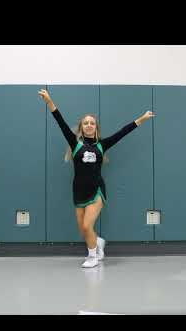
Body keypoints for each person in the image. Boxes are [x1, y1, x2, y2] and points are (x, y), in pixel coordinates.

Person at [38, 89, 155, 268]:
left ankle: (92, 257)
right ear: (82, 127)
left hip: (97, 190)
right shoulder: (75, 143)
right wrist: (49, 101)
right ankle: (98, 242)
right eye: (86, 123)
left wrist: (142, 118)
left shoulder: (102, 145)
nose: (89, 125)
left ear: (96, 127)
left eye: (92, 123)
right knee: (84, 230)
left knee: (86, 226)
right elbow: (60, 121)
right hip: (78, 191)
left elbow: (123, 132)